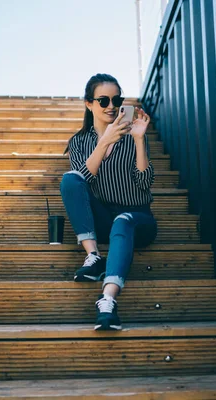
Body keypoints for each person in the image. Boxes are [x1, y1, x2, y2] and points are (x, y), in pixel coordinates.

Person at [60, 73, 157, 331]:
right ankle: (92, 256)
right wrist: (103, 143)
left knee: (123, 221)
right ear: (89, 104)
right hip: (103, 218)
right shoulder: (80, 141)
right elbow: (81, 181)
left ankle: (108, 300)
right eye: (103, 100)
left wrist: (138, 140)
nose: (112, 106)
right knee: (70, 180)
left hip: (137, 218)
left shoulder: (134, 135)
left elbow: (144, 182)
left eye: (117, 99)